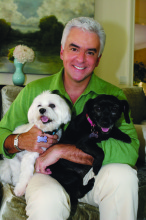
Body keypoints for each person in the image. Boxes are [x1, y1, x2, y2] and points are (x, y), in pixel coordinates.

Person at [0, 17, 139, 220]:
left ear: (98, 58)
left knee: (124, 177)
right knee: (47, 199)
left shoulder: (113, 96)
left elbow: (129, 151)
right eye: (74, 49)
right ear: (62, 52)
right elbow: (2, 134)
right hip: (46, 173)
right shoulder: (35, 91)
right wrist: (20, 141)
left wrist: (62, 150)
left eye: (90, 52)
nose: (81, 59)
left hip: (95, 174)